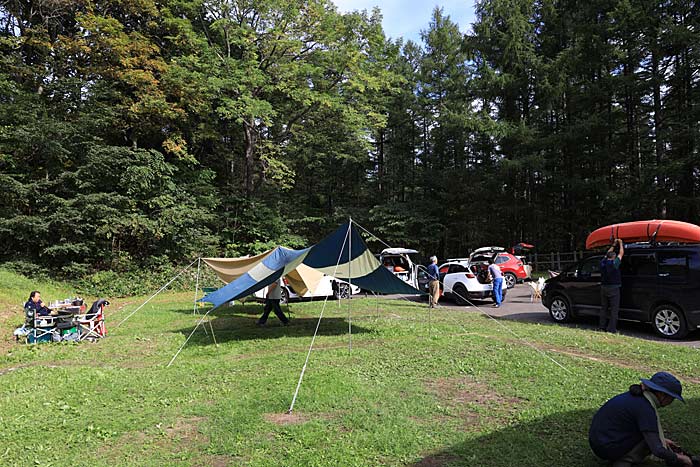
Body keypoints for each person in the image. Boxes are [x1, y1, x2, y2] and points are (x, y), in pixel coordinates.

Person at [589, 372, 696, 467]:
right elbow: (657, 450)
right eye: (672, 398)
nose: (671, 402)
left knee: (650, 438)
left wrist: (664, 441)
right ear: (663, 395)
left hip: (599, 441)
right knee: (648, 442)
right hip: (607, 447)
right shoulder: (645, 408)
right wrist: (680, 458)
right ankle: (624, 461)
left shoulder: (638, 397)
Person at [600, 238, 624, 333]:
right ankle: (611, 328)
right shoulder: (614, 263)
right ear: (614, 257)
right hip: (614, 288)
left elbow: (607, 254)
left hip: (604, 288)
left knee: (604, 308)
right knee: (614, 309)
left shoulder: (603, 263)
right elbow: (621, 253)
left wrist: (614, 245)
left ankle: (602, 327)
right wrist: (621, 243)